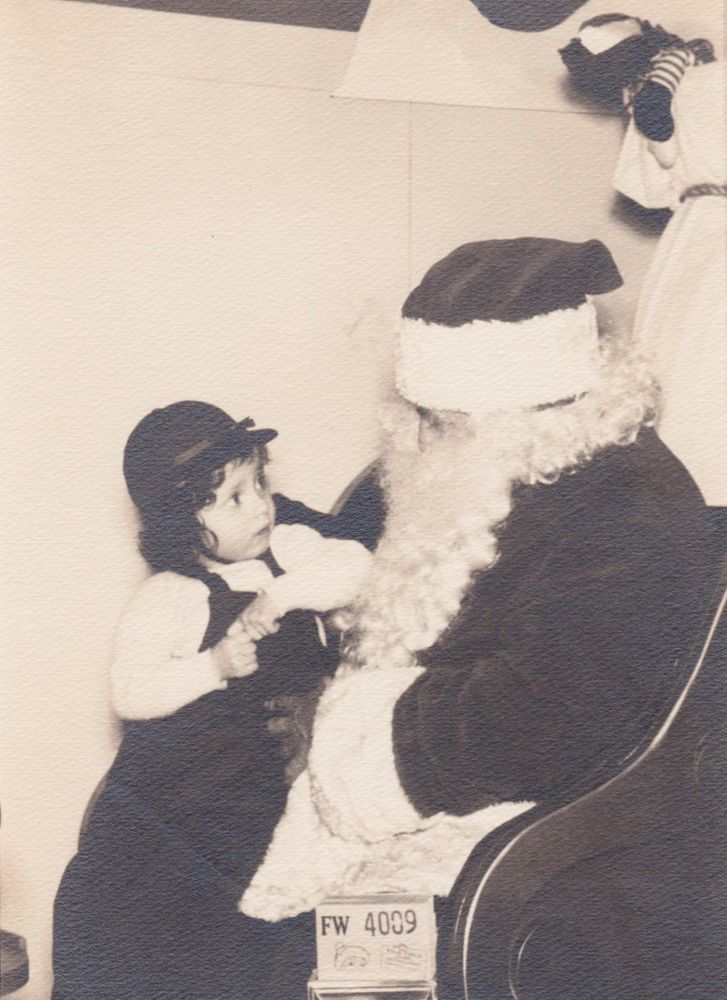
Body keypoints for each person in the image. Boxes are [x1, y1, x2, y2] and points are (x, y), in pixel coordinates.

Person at [244, 238, 711, 995]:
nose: (419, 440)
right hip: (397, 777)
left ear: (533, 413)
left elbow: (539, 715)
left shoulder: (629, 507)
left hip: (538, 840)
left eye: (444, 424)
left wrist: (340, 731)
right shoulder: (471, 465)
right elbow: (354, 563)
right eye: (417, 415)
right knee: (158, 838)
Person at [52, 401, 373, 1000]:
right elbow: (131, 690)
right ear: (180, 522)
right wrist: (213, 666)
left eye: (260, 484)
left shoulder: (289, 549)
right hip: (191, 790)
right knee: (170, 922)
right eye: (233, 498)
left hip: (278, 777)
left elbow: (357, 566)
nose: (260, 506)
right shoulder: (171, 595)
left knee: (276, 927)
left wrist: (282, 599)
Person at [560, 14, 726, 546]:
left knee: (685, 371)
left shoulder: (664, 89)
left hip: (699, 235)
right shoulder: (704, 74)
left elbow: (647, 187)